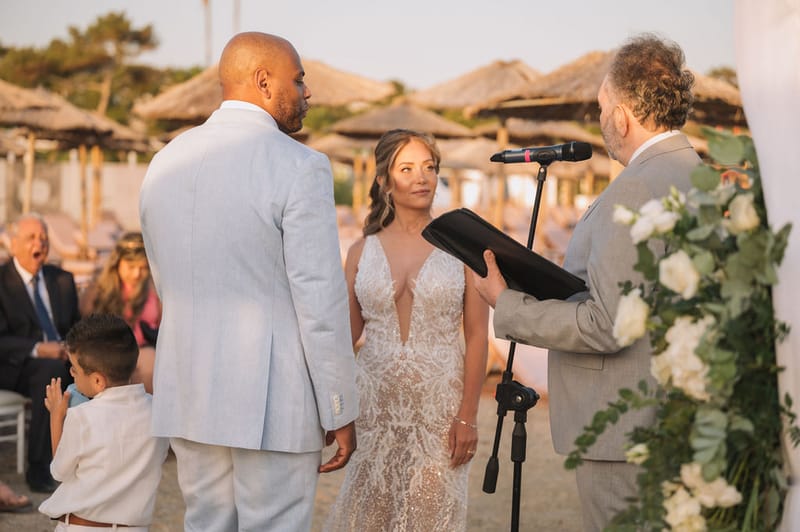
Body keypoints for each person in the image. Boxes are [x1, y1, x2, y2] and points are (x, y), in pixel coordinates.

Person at [472, 34, 700, 532]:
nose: (600, 122)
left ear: (621, 115)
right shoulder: (699, 176)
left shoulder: (636, 188)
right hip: (681, 419)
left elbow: (606, 323)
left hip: (624, 432)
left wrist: (506, 304)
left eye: (601, 107)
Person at [139, 31, 358, 531]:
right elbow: (320, 304)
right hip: (273, 400)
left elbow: (163, 281)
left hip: (189, 389)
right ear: (264, 81)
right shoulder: (300, 166)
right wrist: (339, 406)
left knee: (207, 524)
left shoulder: (164, 162)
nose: (307, 93)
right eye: (298, 80)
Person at [324, 129, 489, 531]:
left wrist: (467, 416)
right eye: (407, 168)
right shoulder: (361, 251)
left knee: (431, 518)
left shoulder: (464, 248)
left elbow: (478, 336)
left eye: (430, 168)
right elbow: (344, 339)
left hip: (439, 412)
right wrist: (337, 410)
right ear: (384, 180)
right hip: (373, 410)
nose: (422, 178)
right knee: (368, 519)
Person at [38, 313, 169, 531]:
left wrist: (56, 417)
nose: (72, 374)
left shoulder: (82, 417)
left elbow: (60, 472)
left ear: (98, 380)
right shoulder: (159, 411)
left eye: (74, 369)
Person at [0, 213, 80, 493]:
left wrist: (72, 348)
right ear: (14, 245)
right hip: (14, 365)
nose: (40, 243)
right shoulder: (2, 281)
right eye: (32, 238)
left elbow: (77, 327)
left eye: (44, 238)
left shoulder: (62, 280)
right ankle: (40, 469)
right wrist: (38, 348)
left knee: (96, 369)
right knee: (51, 374)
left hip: (64, 360)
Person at [79, 231, 161, 394]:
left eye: (143, 268)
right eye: (131, 267)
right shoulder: (98, 292)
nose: (137, 274)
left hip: (148, 352)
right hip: (111, 356)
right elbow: (85, 332)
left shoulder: (153, 290)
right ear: (117, 263)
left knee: (150, 362)